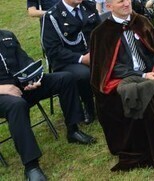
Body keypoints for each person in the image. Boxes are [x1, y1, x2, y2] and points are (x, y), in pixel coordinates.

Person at [89, 0, 154, 171]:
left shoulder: (142, 21)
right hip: (124, 79)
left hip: (152, 71)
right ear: (109, 6)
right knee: (142, 90)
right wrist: (142, 75)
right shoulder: (101, 33)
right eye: (120, 1)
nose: (126, 4)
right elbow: (110, 67)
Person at [0, 28, 96, 181]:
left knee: (65, 79)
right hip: (3, 95)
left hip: (22, 85)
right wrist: (2, 88)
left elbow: (25, 61)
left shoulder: (6, 36)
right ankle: (31, 166)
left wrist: (32, 77)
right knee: (16, 105)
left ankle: (73, 130)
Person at [40, 0, 99, 122]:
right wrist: (81, 59)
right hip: (68, 61)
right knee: (84, 74)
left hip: (93, 53)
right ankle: (89, 107)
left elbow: (101, 31)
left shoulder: (89, 6)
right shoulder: (51, 17)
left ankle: (112, 99)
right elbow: (53, 50)